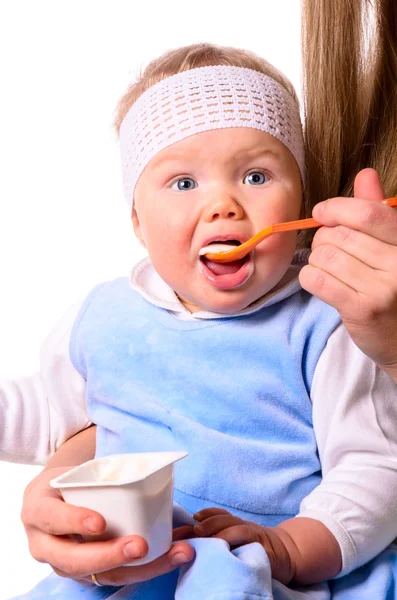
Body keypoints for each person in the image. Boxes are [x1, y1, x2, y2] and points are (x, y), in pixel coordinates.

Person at [4, 38, 397, 600]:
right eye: (184, 183)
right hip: (129, 565)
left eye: (256, 177)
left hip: (270, 569)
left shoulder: (328, 321)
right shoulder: (106, 316)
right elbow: (52, 412)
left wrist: (289, 548)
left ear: (301, 203)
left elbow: (375, 466)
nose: (224, 205)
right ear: (138, 221)